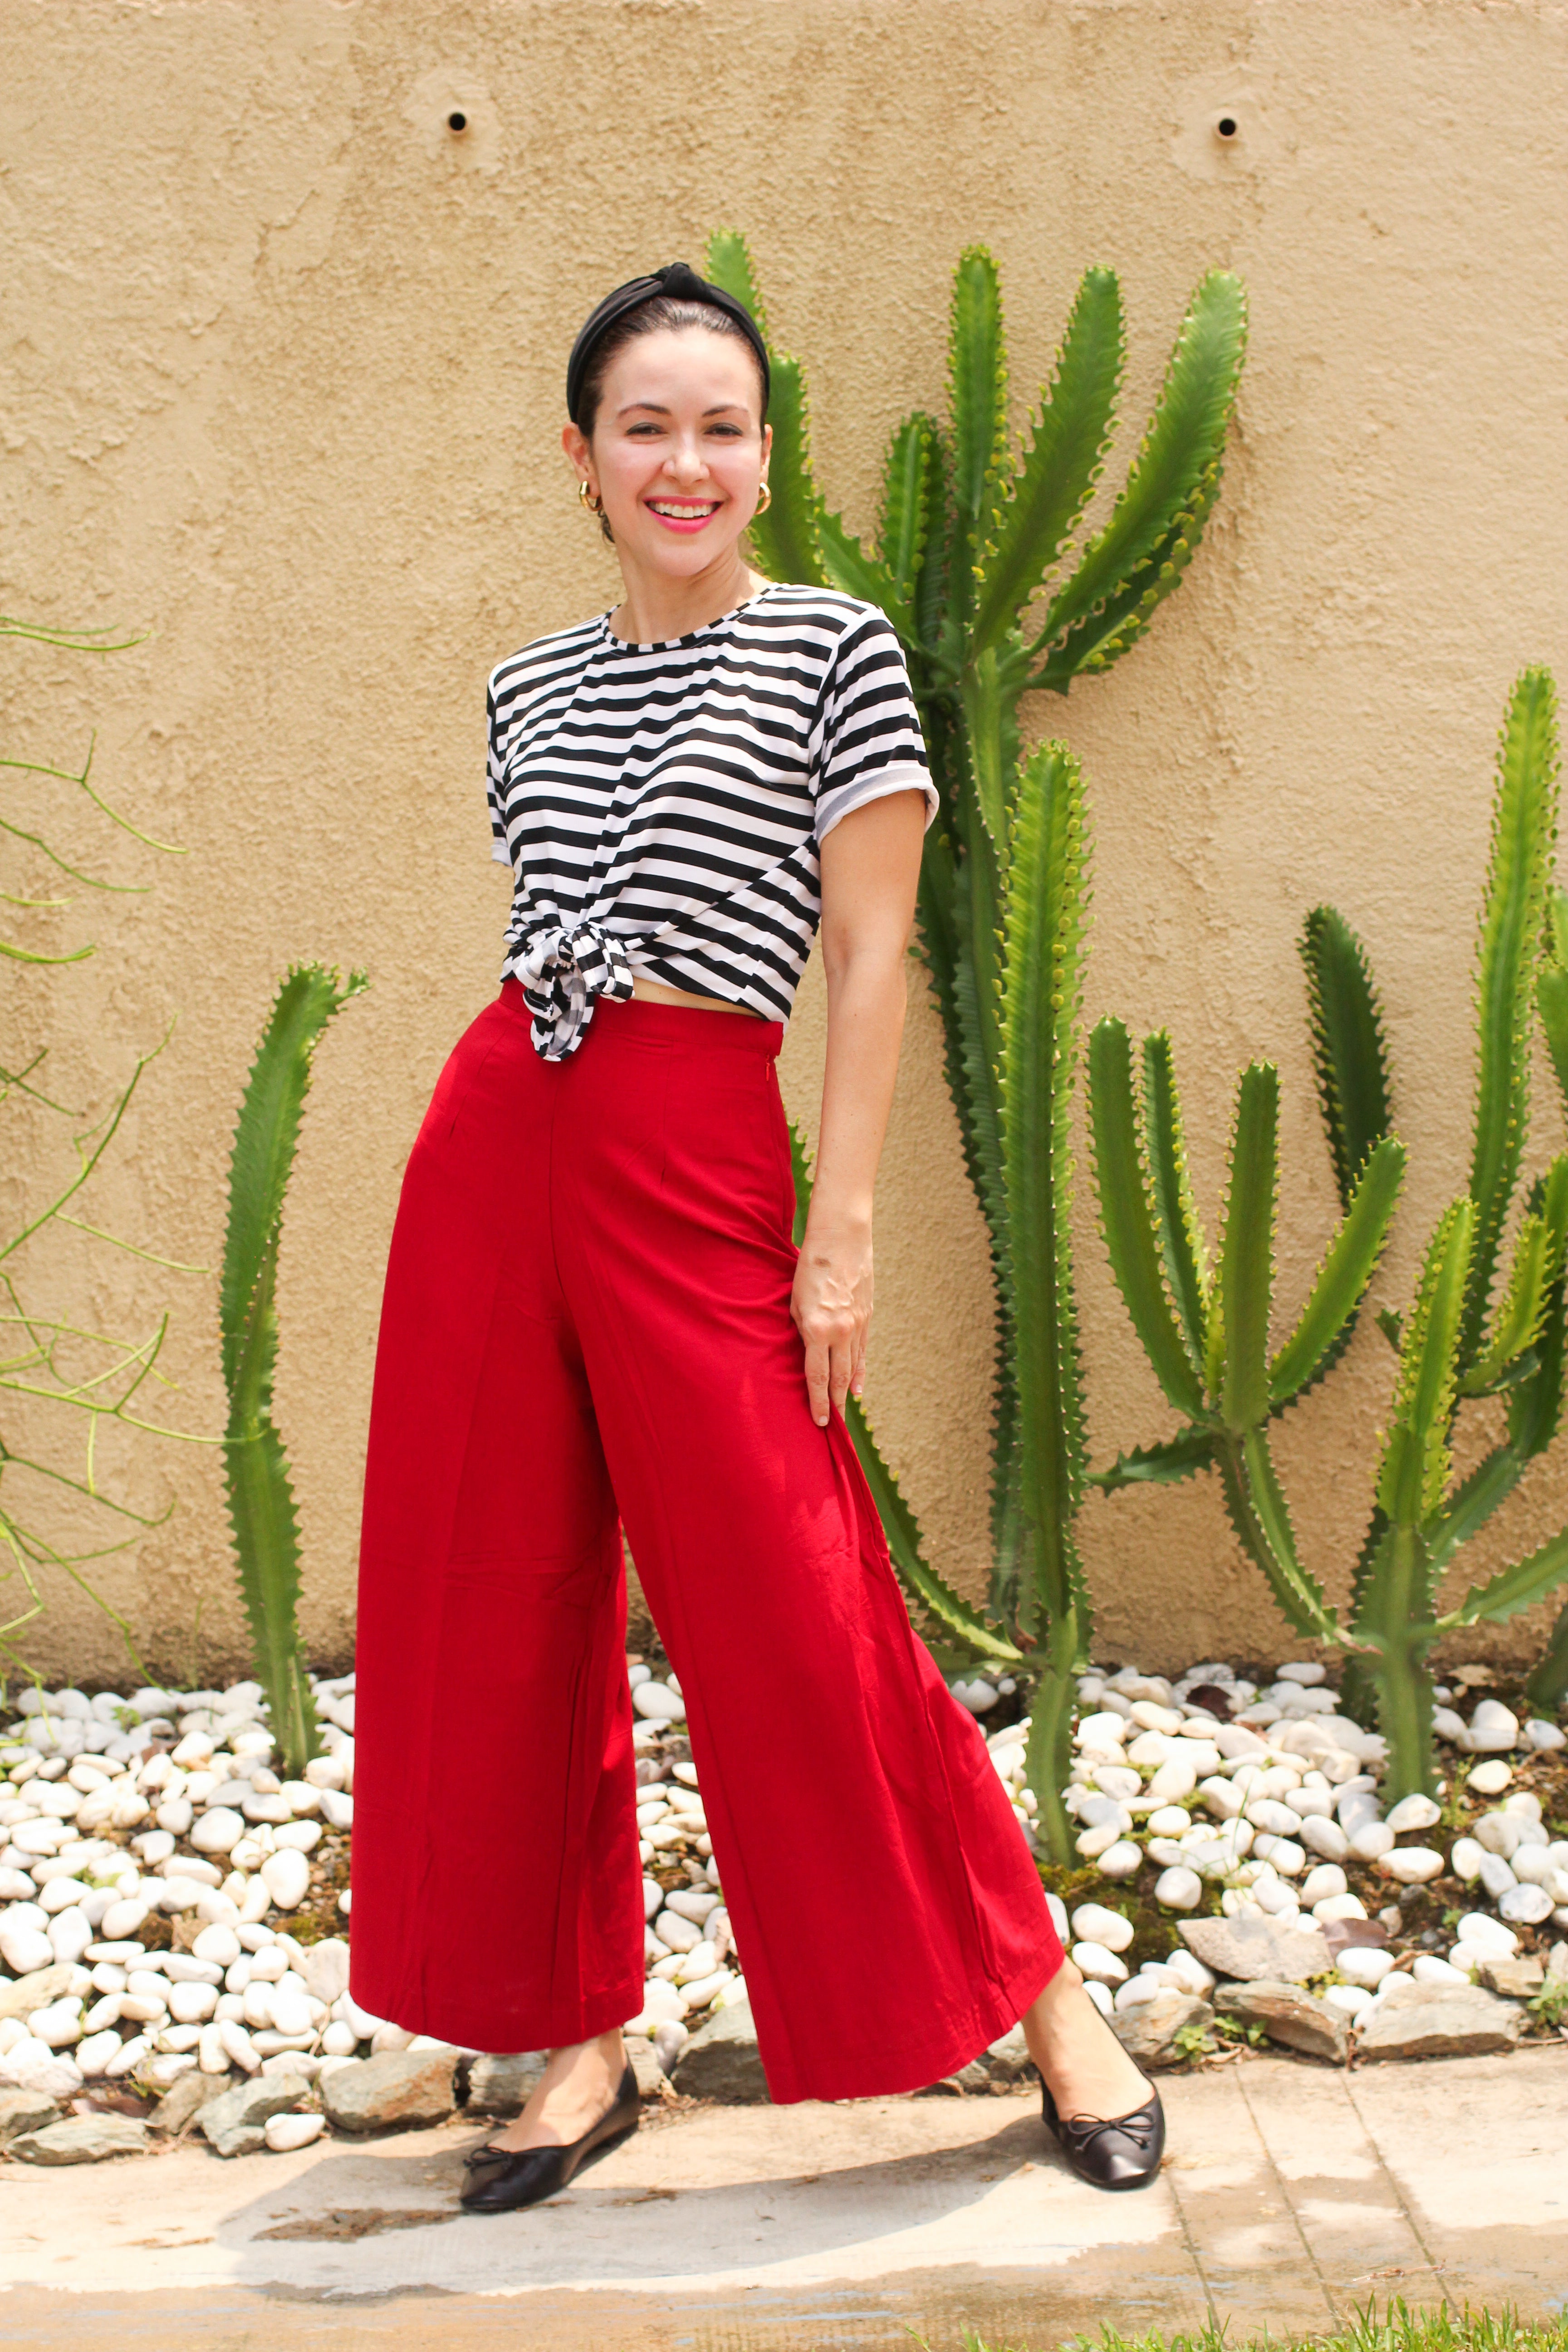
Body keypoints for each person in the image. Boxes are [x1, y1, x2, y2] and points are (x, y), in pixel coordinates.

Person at [349, 261, 1164, 2211]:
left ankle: (1040, 1993)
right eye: (645, 426)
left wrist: (846, 1225)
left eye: (720, 426)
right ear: (583, 458)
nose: (683, 460)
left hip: (698, 1145)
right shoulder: (522, 683)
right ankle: (580, 2043)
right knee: (500, 1582)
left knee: (799, 1598)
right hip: (499, 1139)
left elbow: (871, 952)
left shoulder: (835, 651)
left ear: (765, 454)